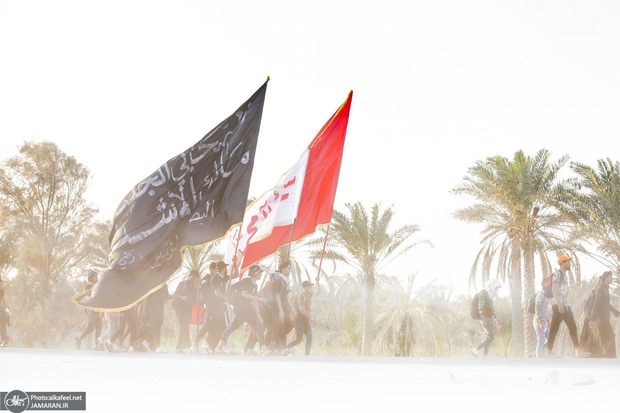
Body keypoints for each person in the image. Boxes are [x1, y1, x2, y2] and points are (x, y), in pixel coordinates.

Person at [215, 265, 268, 354]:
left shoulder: (255, 285)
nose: (261, 275)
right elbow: (244, 294)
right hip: (240, 311)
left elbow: (254, 300)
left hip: (248, 311)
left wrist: (259, 315)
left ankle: (264, 348)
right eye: (260, 273)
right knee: (230, 329)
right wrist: (259, 298)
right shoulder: (247, 282)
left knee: (259, 327)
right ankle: (219, 347)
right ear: (255, 273)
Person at [546, 256, 590, 358]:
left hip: (565, 306)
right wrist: (559, 304)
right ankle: (549, 352)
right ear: (562, 263)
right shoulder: (557, 274)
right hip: (558, 306)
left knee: (572, 327)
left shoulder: (564, 275)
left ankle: (577, 351)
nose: (569, 264)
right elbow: (554, 289)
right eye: (567, 262)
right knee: (554, 329)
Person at [582, 271, 619, 358]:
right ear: (605, 278)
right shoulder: (601, 288)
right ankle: (609, 357)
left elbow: (607, 304)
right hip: (600, 318)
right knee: (609, 337)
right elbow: (596, 304)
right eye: (610, 277)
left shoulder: (605, 288)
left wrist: (617, 313)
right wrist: (592, 319)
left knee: (606, 338)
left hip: (603, 318)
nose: (611, 278)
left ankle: (605, 356)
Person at [201, 261, 231, 353]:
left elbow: (235, 275)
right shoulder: (214, 278)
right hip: (213, 305)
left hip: (220, 305)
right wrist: (227, 298)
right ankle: (208, 344)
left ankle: (212, 345)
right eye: (225, 267)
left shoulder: (222, 278)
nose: (226, 269)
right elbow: (216, 293)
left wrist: (235, 263)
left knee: (220, 325)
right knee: (213, 325)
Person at [287, 280, 320, 355]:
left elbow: (319, 292)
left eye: (311, 287)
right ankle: (285, 348)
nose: (311, 288)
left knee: (310, 338)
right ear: (304, 288)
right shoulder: (301, 296)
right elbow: (302, 309)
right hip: (299, 320)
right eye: (309, 287)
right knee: (299, 340)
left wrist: (318, 282)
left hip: (306, 321)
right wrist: (311, 318)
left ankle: (307, 354)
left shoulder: (309, 295)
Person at [471, 278, 502, 357]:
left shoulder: (490, 295)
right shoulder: (484, 292)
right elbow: (480, 307)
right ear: (492, 285)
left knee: (487, 337)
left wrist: (496, 319)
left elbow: (492, 309)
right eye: (496, 287)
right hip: (484, 318)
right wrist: (483, 319)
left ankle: (485, 356)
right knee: (491, 336)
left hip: (489, 318)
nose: (496, 290)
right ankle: (475, 349)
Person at [271, 261, 296, 354]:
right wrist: (281, 310)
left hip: (284, 307)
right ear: (282, 269)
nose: (289, 270)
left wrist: (292, 308)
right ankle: (278, 348)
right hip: (277, 307)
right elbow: (277, 296)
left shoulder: (287, 281)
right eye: (287, 268)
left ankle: (279, 346)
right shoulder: (279, 281)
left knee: (288, 325)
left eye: (289, 268)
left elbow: (287, 297)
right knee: (280, 327)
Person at [172, 269, 199, 353]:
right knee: (183, 327)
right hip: (180, 309)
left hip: (188, 310)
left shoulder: (194, 286)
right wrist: (182, 297)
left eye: (195, 279)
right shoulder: (182, 284)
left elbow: (194, 298)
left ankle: (184, 346)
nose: (194, 280)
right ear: (189, 276)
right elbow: (175, 294)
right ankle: (180, 347)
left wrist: (197, 304)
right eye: (192, 278)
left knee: (185, 327)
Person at [76, 271, 103, 350]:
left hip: (98, 309)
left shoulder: (99, 286)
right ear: (91, 278)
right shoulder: (88, 287)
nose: (96, 278)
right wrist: (88, 310)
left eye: (97, 276)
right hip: (90, 309)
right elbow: (86, 298)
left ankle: (96, 345)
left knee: (99, 327)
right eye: (95, 276)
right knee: (91, 327)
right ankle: (79, 338)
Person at [192, 262, 217, 352]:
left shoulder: (216, 279)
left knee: (213, 325)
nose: (215, 271)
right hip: (207, 305)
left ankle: (208, 344)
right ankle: (195, 343)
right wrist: (203, 302)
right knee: (206, 325)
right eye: (214, 270)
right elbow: (202, 291)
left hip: (215, 305)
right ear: (210, 270)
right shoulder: (206, 279)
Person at [532, 288, 550, 358]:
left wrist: (547, 321)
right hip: (538, 322)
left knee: (550, 338)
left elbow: (544, 310)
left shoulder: (546, 297)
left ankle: (535, 353)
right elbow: (537, 309)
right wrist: (540, 322)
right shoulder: (540, 295)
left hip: (543, 323)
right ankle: (538, 358)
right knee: (541, 340)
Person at [0, 277, 10, 347]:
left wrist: (7, 310)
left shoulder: (1, 291)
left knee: (3, 325)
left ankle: (4, 340)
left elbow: (3, 301)